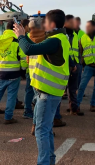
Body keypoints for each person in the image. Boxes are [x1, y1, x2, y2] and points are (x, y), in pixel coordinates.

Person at [13, 9, 72, 165]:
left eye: (45, 22)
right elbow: (34, 47)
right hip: (52, 92)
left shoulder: (55, 40)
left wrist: (20, 36)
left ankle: (44, 162)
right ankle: (49, 160)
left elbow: (28, 49)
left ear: (52, 24)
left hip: (47, 93)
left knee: (41, 131)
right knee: (46, 130)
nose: (43, 25)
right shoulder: (60, 38)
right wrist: (24, 36)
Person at [0, 20, 27, 124]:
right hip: (14, 73)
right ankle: (8, 118)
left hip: (1, 72)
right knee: (11, 96)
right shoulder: (17, 40)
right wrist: (23, 69)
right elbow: (23, 57)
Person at [64, 15, 84, 116]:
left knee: (73, 88)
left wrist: (79, 63)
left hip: (76, 65)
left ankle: (73, 109)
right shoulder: (62, 34)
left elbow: (78, 49)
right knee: (61, 88)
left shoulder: (75, 35)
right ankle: (56, 115)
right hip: (65, 65)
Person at [77, 20, 95, 111]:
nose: (87, 28)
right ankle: (77, 105)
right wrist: (81, 63)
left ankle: (93, 105)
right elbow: (80, 52)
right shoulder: (82, 38)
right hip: (88, 66)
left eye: (89, 27)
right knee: (82, 86)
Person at [74, 17, 85, 87]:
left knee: (78, 76)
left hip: (79, 57)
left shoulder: (83, 33)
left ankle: (78, 90)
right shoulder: (70, 33)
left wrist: (83, 58)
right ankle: (65, 91)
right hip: (71, 57)